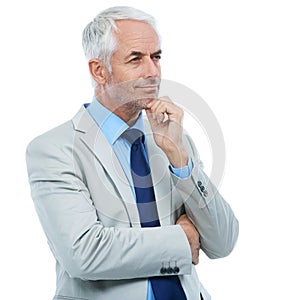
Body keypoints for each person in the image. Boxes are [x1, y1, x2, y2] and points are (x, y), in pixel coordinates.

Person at [26, 6, 239, 300]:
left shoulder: (174, 137)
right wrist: (182, 240)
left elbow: (223, 241)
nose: (152, 71)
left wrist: (181, 162)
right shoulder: (55, 149)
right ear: (99, 70)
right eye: (135, 59)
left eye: (156, 57)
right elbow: (84, 253)